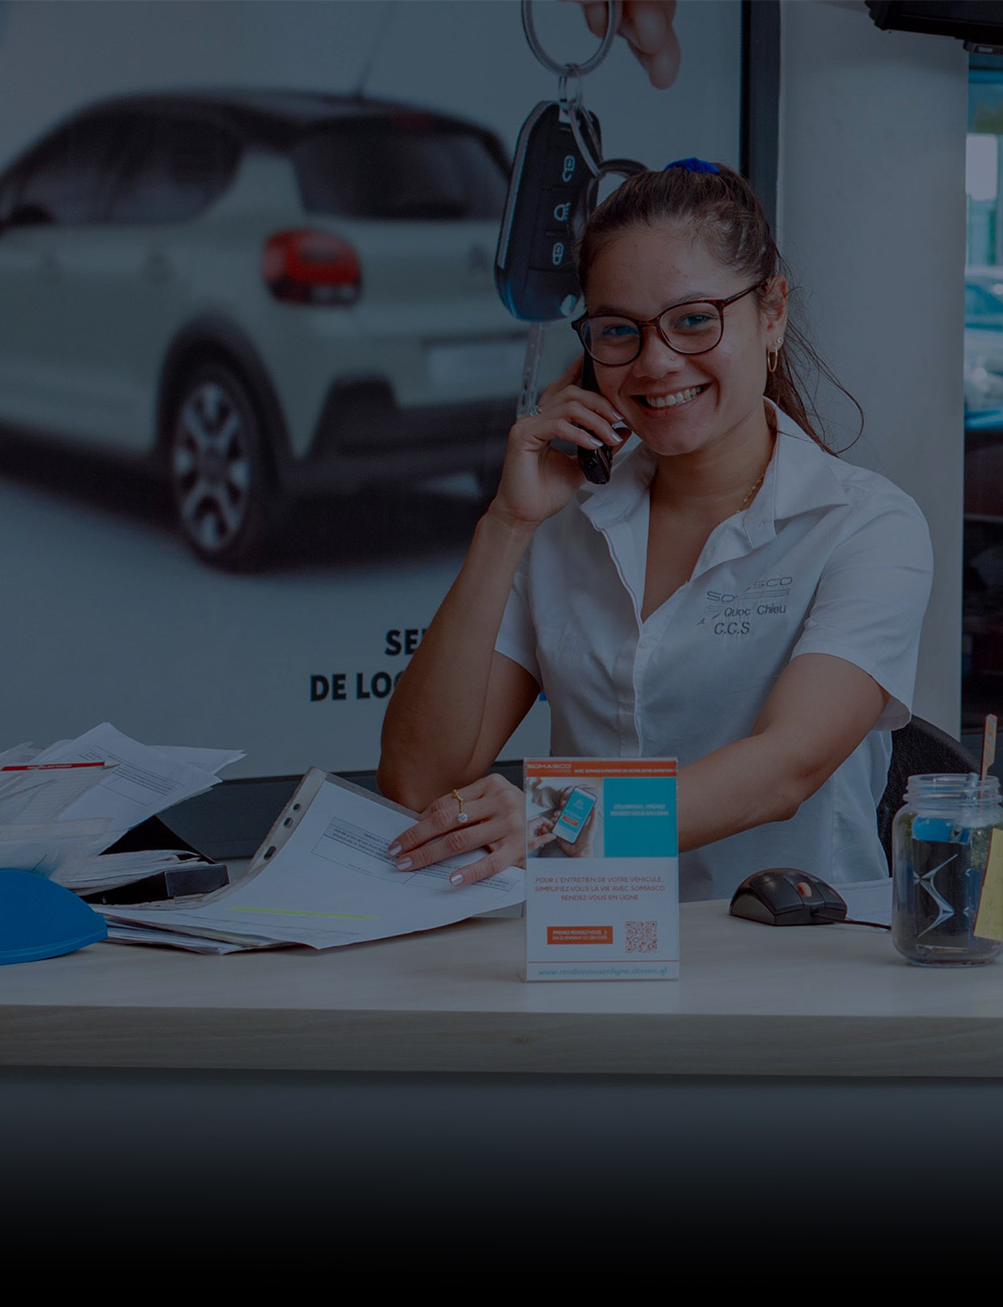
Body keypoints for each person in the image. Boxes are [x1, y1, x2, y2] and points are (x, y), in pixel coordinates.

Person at [378, 161, 934, 900]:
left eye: (694, 319)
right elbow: (418, 781)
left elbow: (786, 768)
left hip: (786, 948)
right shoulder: (563, 522)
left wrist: (554, 823)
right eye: (619, 331)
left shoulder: (864, 526)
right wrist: (507, 523)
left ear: (771, 313)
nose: (656, 362)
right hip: (584, 942)